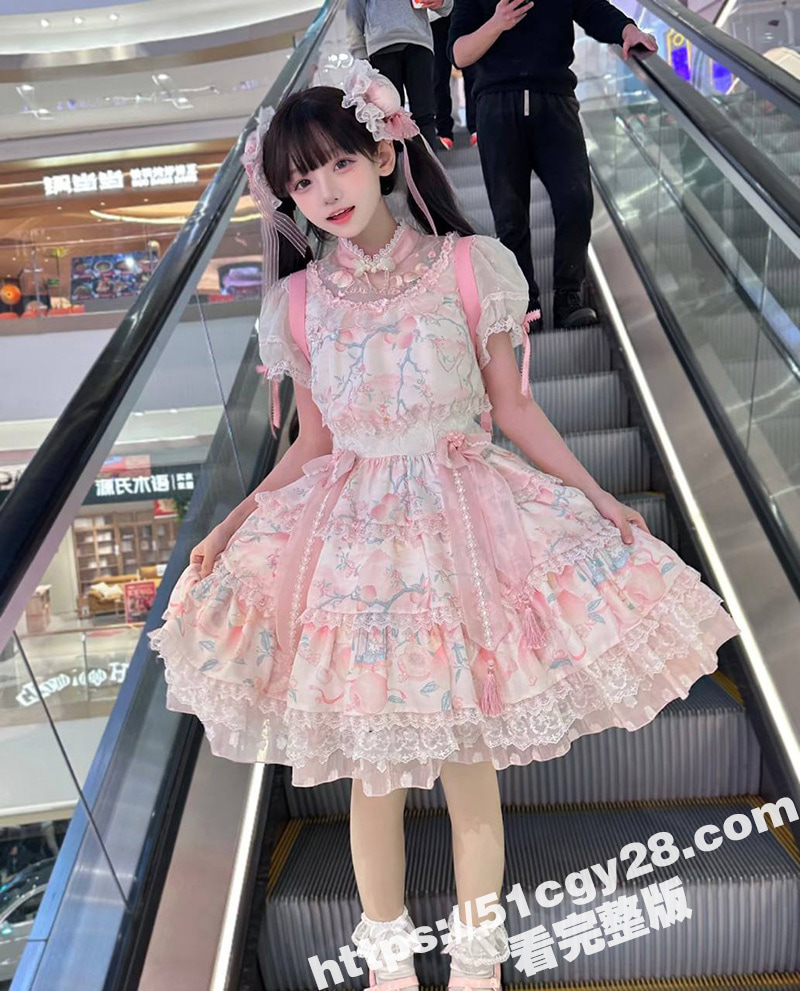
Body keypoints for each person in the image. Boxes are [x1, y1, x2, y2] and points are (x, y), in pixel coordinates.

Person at [149, 62, 739, 991]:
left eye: (339, 164)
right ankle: (387, 961)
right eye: (302, 180)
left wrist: (598, 497)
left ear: (384, 154)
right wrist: (236, 521)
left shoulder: (469, 268)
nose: (325, 192)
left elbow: (515, 408)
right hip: (352, 546)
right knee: (372, 776)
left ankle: (477, 956)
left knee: (469, 765)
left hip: (463, 529)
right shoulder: (298, 303)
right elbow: (312, 444)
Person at [449, 0, 658, 331]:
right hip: (497, 106)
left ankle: (568, 297)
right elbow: (458, 54)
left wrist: (627, 30)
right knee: (509, 215)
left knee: (576, 200)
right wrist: (497, 22)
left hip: (555, 101)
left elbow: (593, 9)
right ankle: (526, 304)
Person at [346, 0, 452, 152]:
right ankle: (400, 164)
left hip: (416, 42)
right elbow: (354, 9)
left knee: (423, 114)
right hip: (384, 46)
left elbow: (446, 8)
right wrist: (360, 56)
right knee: (389, 118)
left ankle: (427, 164)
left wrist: (442, 2)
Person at [431, 11, 479, 149]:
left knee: (472, 70)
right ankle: (443, 129)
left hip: (464, 10)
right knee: (438, 74)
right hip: (436, 15)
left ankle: (476, 127)